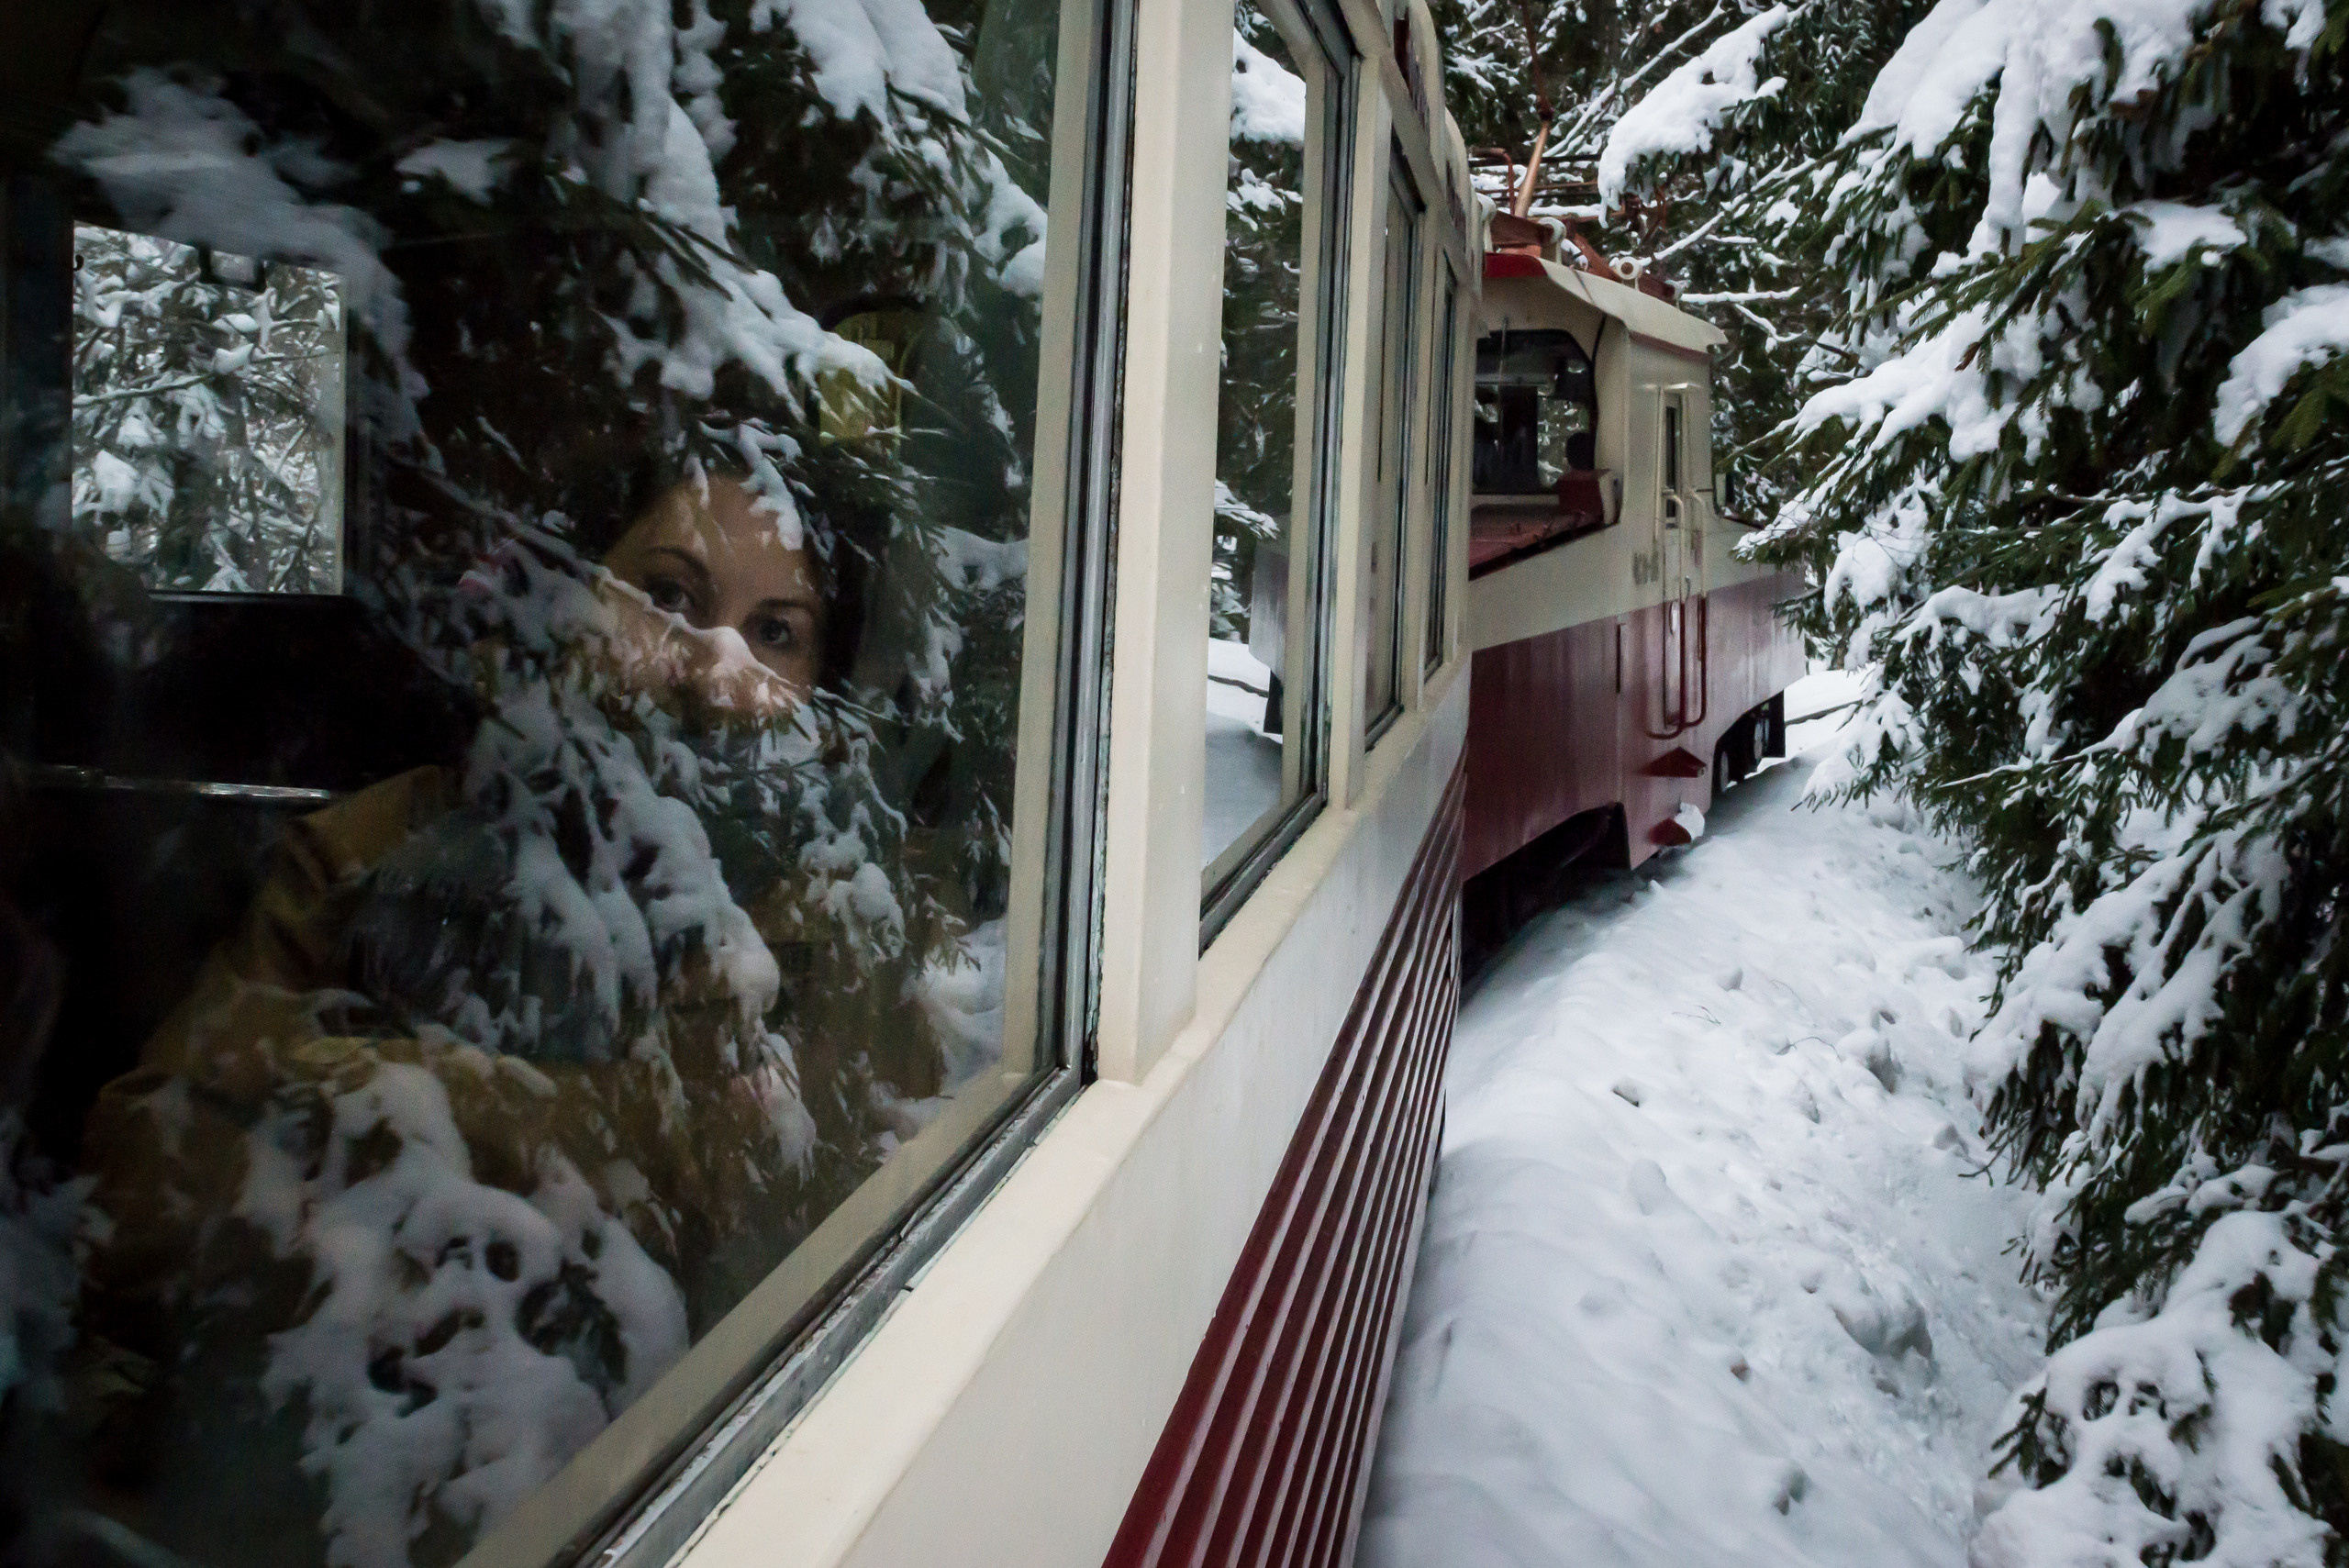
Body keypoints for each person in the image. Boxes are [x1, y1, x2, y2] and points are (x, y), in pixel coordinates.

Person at [49, 470, 912, 1568]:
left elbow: (822, 1262)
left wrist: (374, 1092)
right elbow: (142, 1178)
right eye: (670, 595)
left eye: (775, 631)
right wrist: (533, 1116)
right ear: (581, 596)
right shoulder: (384, 849)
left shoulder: (842, 929)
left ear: (820, 683)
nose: (712, 662)